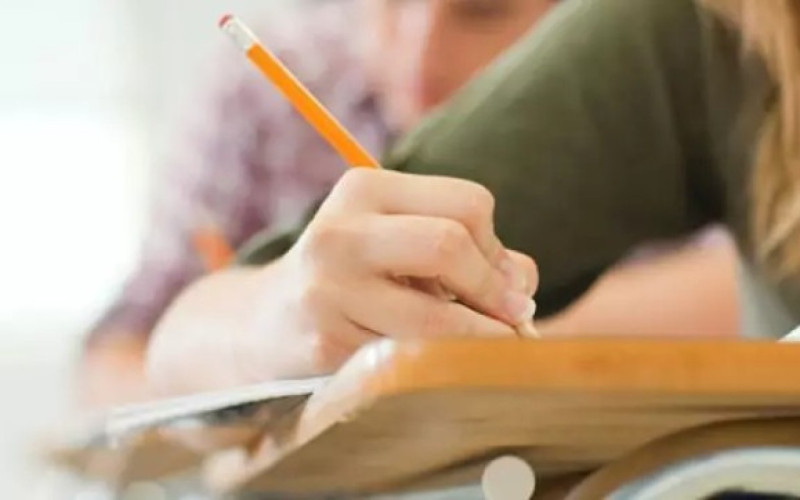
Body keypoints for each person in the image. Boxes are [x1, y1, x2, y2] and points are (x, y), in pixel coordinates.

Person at [83, 0, 740, 405]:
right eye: (395, 2)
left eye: (483, 11)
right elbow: (140, 345)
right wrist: (267, 330)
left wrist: (460, 348)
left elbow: (734, 285)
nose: (422, 55)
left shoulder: (635, 78)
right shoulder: (264, 90)